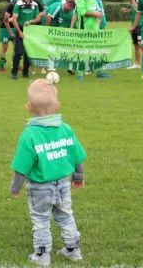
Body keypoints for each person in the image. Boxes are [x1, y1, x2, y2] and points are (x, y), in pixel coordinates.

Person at [9, 79, 86, 265]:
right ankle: (73, 250)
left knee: (41, 220)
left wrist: (15, 187)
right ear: (57, 106)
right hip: (63, 184)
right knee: (65, 216)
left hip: (39, 188)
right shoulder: (65, 129)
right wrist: (78, 176)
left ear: (28, 108)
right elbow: (77, 156)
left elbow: (21, 169)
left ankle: (42, 256)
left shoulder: (29, 134)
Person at [75, 0, 108, 81]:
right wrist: (95, 13)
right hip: (84, 27)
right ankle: (80, 73)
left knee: (98, 48)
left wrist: (98, 17)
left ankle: (100, 72)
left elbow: (98, 11)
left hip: (94, 27)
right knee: (83, 50)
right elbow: (81, 12)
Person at [9, 0, 44, 80]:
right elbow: (14, 19)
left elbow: (38, 18)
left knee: (28, 53)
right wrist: (19, 32)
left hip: (30, 31)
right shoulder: (18, 4)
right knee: (18, 52)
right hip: (20, 30)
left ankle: (25, 72)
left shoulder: (34, 4)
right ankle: (14, 72)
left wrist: (31, 21)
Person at [0, 0, 23, 72]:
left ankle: (15, 65)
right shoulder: (12, 4)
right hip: (4, 27)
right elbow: (5, 20)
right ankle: (1, 66)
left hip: (14, 26)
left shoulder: (23, 4)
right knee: (5, 47)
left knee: (16, 47)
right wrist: (10, 32)